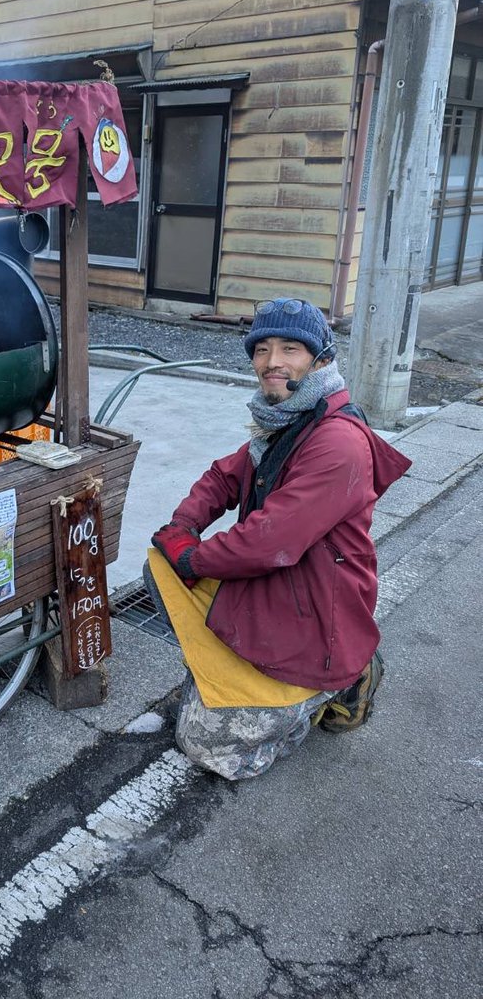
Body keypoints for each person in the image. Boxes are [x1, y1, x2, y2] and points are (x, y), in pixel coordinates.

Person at [146, 297, 411, 781]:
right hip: (278, 582)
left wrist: (194, 558)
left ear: (322, 359)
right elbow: (223, 476)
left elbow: (267, 542)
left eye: (291, 348)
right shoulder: (287, 417)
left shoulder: (337, 442)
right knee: (158, 561)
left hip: (313, 608)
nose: (272, 362)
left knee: (205, 747)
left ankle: (341, 677)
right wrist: (183, 527)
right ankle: (272, 681)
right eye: (262, 349)